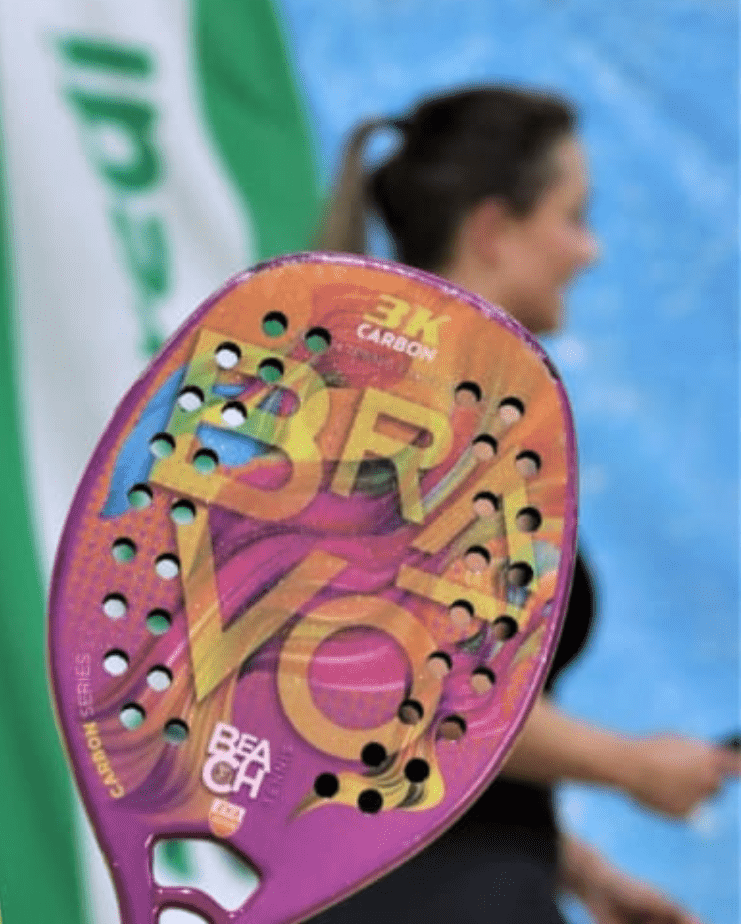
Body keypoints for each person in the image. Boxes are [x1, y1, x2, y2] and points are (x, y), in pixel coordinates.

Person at [308, 85, 739, 924]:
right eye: (574, 216)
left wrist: (580, 871)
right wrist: (630, 765)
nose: (591, 251)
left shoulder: (427, 411)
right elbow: (425, 688)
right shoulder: (417, 421)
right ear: (493, 231)